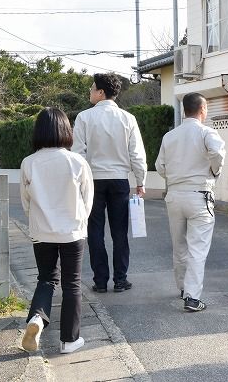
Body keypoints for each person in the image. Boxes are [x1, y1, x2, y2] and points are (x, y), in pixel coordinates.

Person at [21, 108, 93, 354]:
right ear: (66, 130)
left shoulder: (28, 163)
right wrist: (80, 223)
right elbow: (87, 200)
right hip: (72, 232)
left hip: (42, 232)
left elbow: (25, 202)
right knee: (72, 283)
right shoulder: (77, 162)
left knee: (46, 279)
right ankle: (69, 341)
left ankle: (36, 320)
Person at [72, 73, 147, 293]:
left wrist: (78, 183)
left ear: (101, 92)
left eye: (92, 88)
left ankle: (100, 281)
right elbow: (137, 154)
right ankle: (121, 280)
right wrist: (140, 181)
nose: (90, 92)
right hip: (119, 180)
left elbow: (78, 154)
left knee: (95, 231)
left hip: (93, 180)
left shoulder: (84, 117)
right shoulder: (128, 118)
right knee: (119, 232)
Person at [155, 93, 226, 312]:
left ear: (185, 110)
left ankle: (183, 287)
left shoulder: (170, 136)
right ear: (203, 109)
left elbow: (160, 166)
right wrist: (214, 171)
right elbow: (217, 154)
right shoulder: (207, 132)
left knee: (179, 245)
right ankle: (192, 297)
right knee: (198, 248)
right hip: (200, 194)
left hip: (175, 195)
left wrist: (174, 176)